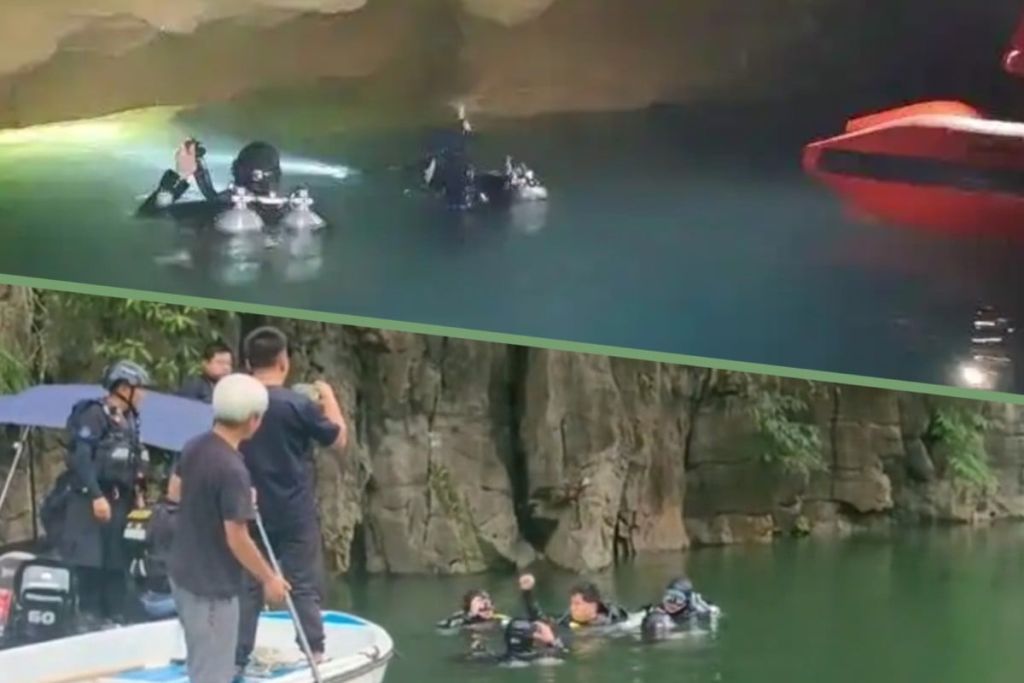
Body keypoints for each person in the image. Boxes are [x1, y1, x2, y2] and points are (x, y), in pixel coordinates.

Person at [235, 326, 348, 672]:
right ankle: (314, 652)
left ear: (247, 364)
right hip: (293, 508)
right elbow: (338, 440)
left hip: (247, 508)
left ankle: (236, 657)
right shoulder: (297, 404)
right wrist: (328, 397)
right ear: (284, 361)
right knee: (301, 583)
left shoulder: (238, 405)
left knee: (248, 584)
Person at [169, 373, 291, 683]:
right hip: (211, 588)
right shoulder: (232, 468)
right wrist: (269, 578)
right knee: (213, 673)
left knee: (200, 664)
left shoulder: (195, 446)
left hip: (182, 575)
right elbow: (237, 537)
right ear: (253, 420)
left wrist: (235, 499)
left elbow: (175, 491)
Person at [53, 360, 152, 626]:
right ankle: (89, 620)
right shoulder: (95, 414)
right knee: (91, 566)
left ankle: (114, 618)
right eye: (139, 389)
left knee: (116, 566)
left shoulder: (129, 421)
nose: (143, 395)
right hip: (92, 502)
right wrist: (96, 495)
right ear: (124, 388)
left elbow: (132, 463)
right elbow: (82, 457)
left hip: (120, 503)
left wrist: (138, 495)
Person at [137, 139, 287, 224]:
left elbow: (147, 218)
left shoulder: (212, 212)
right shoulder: (291, 213)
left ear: (235, 171)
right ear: (277, 176)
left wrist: (180, 175)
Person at [518, 573, 630, 632]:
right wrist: (527, 592)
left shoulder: (613, 623)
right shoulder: (565, 621)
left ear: (593, 605)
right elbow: (539, 619)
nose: (572, 608)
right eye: (572, 603)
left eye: (577, 604)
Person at [639, 577, 719, 639]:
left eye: (679, 600)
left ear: (686, 602)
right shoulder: (658, 609)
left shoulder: (695, 611)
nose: (672, 604)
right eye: (669, 598)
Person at [436, 589, 509, 630]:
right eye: (479, 600)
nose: (485, 602)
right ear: (469, 607)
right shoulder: (458, 620)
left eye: (488, 600)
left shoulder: (501, 620)